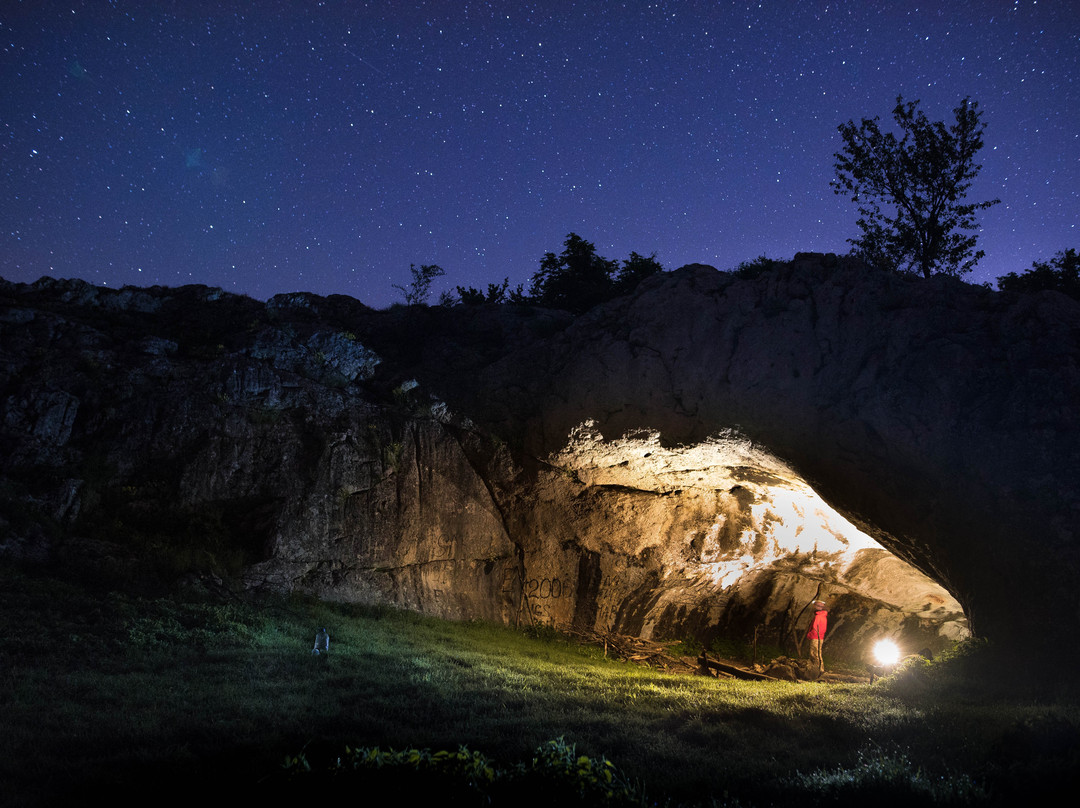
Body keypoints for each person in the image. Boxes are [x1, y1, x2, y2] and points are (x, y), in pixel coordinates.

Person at [807, 600, 827, 676]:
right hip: (820, 638)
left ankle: (817, 670)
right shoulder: (823, 616)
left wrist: (809, 635)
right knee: (818, 653)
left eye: (815, 605)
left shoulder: (818, 616)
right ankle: (819, 669)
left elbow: (815, 628)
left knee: (814, 654)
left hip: (815, 637)